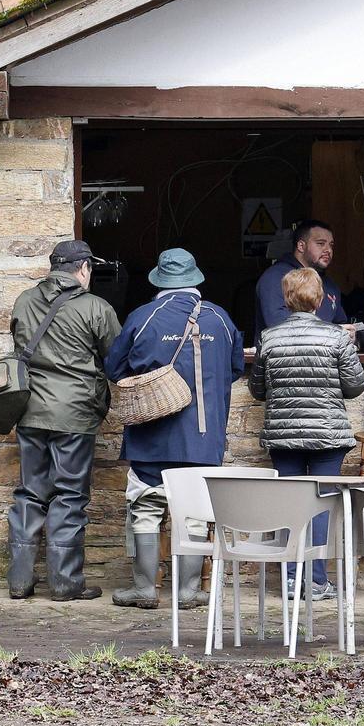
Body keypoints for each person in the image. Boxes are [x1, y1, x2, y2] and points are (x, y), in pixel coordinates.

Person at [105, 248, 245, 609]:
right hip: (203, 438)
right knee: (194, 512)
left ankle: (144, 588)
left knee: (145, 508)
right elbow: (235, 369)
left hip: (151, 435)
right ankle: (187, 591)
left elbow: (114, 368)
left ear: (160, 281)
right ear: (195, 279)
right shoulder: (220, 319)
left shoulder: (142, 317)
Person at [7, 240, 122, 602]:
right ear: (84, 268)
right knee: (69, 496)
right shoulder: (96, 307)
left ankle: (20, 581)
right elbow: (116, 358)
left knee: (30, 493)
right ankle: (64, 583)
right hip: (74, 415)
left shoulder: (24, 301)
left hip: (30, 410)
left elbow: (19, 345)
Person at [250, 268, 364, 601]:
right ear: (318, 300)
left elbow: (258, 389)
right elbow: (355, 386)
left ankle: (290, 579)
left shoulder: (269, 338)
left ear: (287, 299)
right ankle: (315, 582)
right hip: (327, 434)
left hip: (283, 435)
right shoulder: (336, 337)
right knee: (322, 504)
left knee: (289, 503)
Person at [254, 219, 353, 340]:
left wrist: (348, 332)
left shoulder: (330, 285)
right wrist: (332, 332)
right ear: (301, 246)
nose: (328, 250)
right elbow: (278, 327)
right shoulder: (275, 278)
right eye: (320, 243)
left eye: (331, 245)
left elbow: (340, 323)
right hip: (283, 351)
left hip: (326, 351)